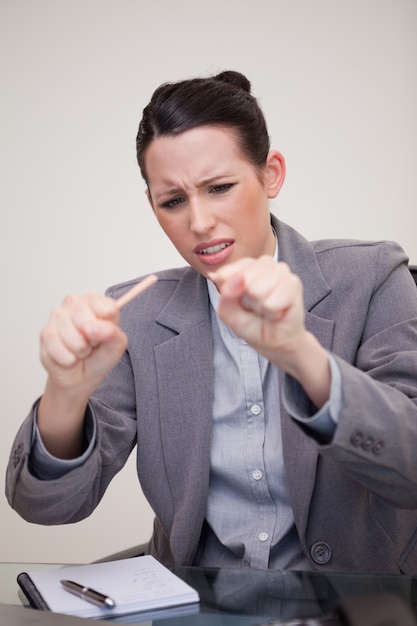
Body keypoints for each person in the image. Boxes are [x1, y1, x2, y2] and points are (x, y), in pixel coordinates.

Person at [6, 70, 417, 574]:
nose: (198, 222)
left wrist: (301, 356)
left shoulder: (373, 277)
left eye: (219, 187)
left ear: (271, 174)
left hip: (361, 602)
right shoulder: (135, 316)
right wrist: (64, 395)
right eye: (173, 201)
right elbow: (46, 505)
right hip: (196, 603)